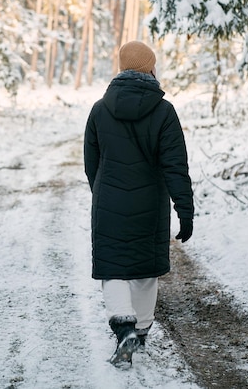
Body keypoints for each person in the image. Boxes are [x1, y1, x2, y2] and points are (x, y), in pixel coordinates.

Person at [84, 40, 194, 367]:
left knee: (113, 267)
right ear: (150, 68)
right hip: (151, 204)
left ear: (121, 68)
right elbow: (176, 166)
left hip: (109, 202)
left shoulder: (100, 109)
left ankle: (124, 330)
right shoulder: (164, 111)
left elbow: (92, 163)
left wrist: (103, 193)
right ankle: (141, 332)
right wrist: (184, 210)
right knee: (146, 270)